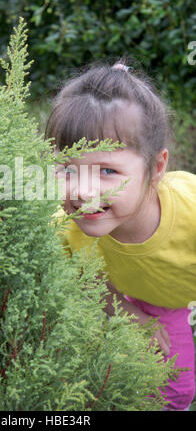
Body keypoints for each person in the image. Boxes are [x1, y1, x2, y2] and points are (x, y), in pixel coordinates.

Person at [45, 61, 196, 411]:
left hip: (177, 291)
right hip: (138, 294)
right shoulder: (66, 227)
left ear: (156, 168)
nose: (82, 191)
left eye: (108, 170)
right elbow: (83, 278)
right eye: (67, 169)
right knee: (170, 389)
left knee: (178, 387)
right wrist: (126, 312)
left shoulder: (190, 212)